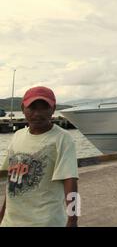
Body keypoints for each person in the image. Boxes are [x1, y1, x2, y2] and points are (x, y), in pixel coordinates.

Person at [0, 86, 79, 227]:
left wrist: (73, 220)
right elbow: (13, 181)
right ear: (23, 108)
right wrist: (2, 214)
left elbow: (70, 181)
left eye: (44, 108)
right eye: (32, 107)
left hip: (46, 222)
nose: (37, 113)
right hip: (11, 222)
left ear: (53, 109)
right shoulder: (17, 136)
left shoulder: (62, 139)